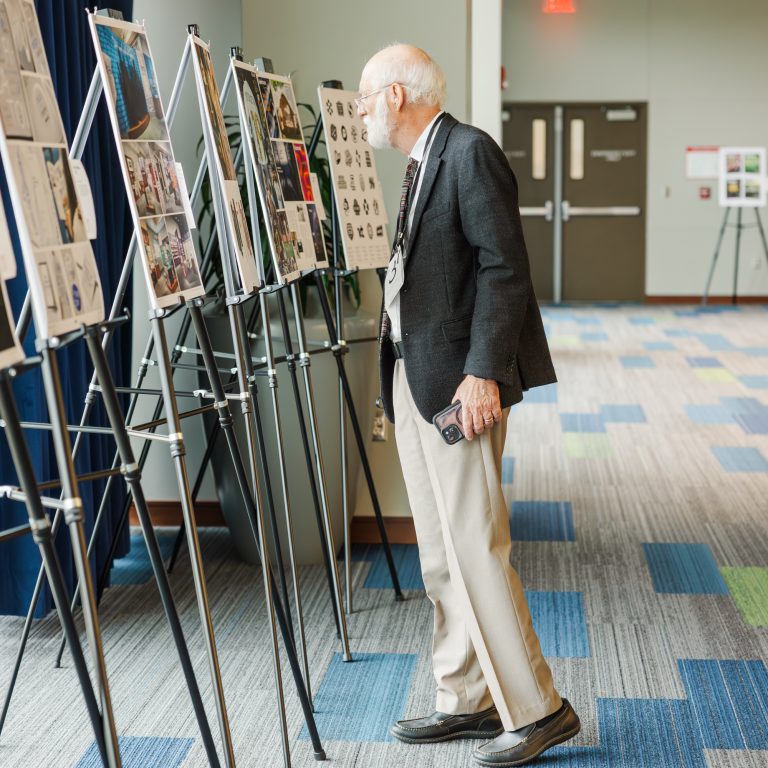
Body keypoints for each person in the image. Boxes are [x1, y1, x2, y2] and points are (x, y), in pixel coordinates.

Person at [357, 44, 581, 767]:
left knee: (477, 545)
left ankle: (539, 707)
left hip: (461, 383)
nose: (359, 111)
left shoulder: (469, 152)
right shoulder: (422, 161)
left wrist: (483, 373)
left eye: (365, 98)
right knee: (440, 552)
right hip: (416, 374)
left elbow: (505, 269)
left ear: (395, 95)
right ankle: (467, 698)